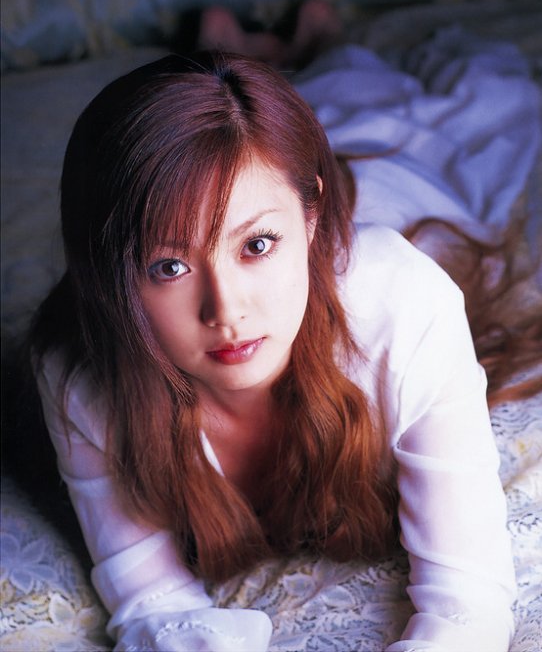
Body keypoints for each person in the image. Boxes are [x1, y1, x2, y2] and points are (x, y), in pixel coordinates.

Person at [30, 49, 518, 652]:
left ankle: (319, 41)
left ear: (310, 218)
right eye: (169, 266)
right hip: (274, 166)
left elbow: (469, 600)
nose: (226, 310)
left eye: (256, 246)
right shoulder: (79, 372)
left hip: (395, 184)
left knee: (391, 107)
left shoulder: (403, 303)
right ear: (112, 276)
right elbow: (148, 599)